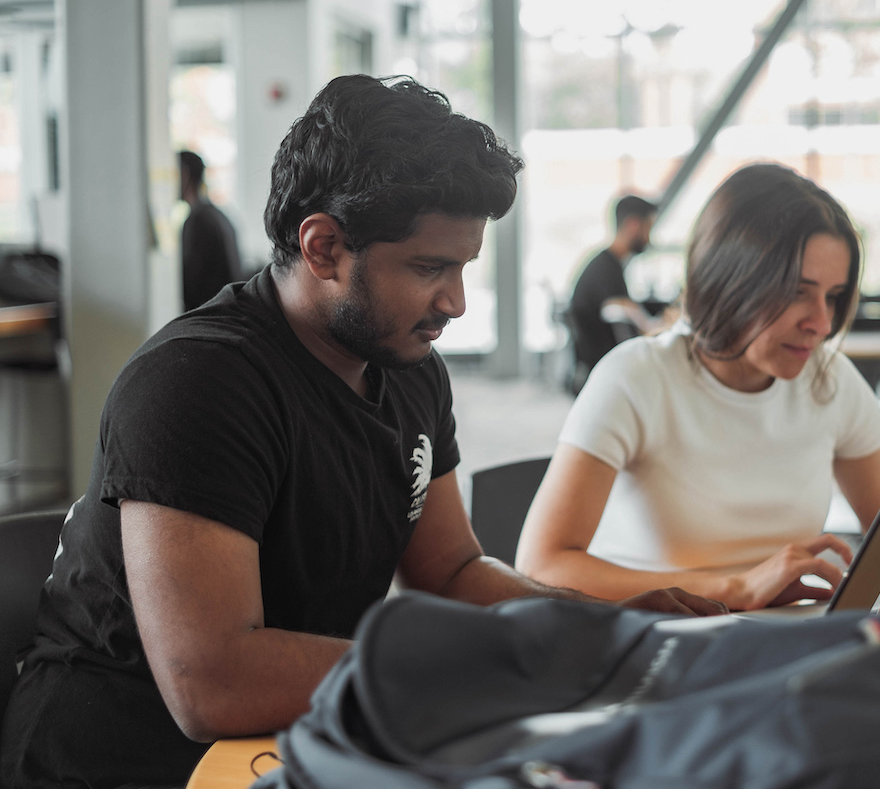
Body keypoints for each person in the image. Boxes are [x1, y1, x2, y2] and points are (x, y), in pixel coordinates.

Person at [0, 75, 723, 789]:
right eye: (429, 267)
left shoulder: (408, 366)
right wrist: (502, 655)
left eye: (464, 267)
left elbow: (450, 571)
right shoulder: (196, 383)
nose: (457, 302)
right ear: (323, 248)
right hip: (119, 762)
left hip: (295, 742)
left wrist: (606, 628)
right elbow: (211, 684)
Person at [516, 163, 880, 612]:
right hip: (659, 641)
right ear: (729, 280)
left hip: (781, 640)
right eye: (798, 291)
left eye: (833, 296)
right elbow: (542, 567)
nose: (822, 322)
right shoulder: (636, 379)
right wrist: (734, 588)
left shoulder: (829, 380)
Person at [565, 194, 661, 383]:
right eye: (649, 227)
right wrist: (662, 324)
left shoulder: (607, 263)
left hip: (602, 366)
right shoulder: (606, 270)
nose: (649, 238)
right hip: (606, 371)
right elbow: (641, 322)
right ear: (634, 225)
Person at [179, 149, 243, 311]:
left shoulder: (198, 220)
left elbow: (190, 286)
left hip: (209, 318)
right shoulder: (219, 215)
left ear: (184, 175)